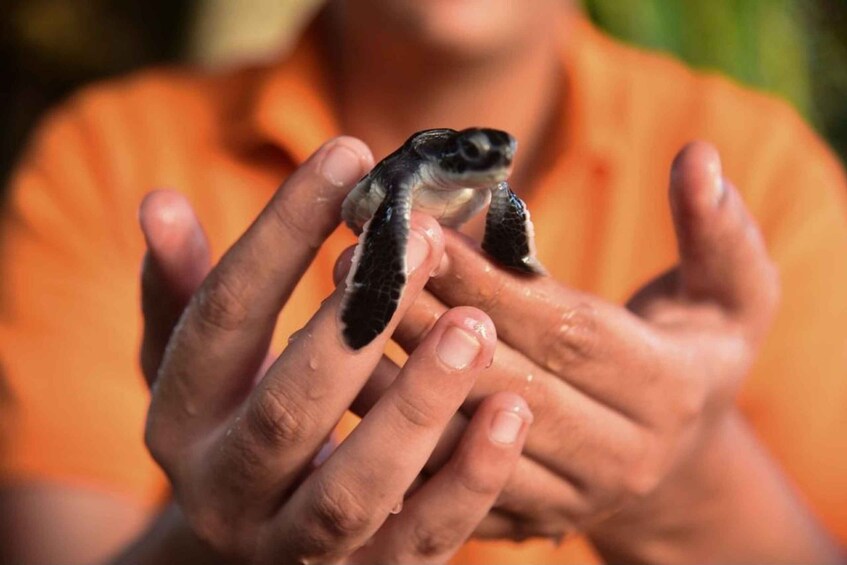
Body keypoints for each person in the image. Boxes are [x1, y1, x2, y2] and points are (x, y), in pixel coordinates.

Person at [1, 0, 846, 563]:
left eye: (494, 163)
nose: (490, 170)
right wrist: (208, 543)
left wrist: (687, 478)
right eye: (479, 159)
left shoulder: (766, 168)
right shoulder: (107, 156)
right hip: (390, 197)